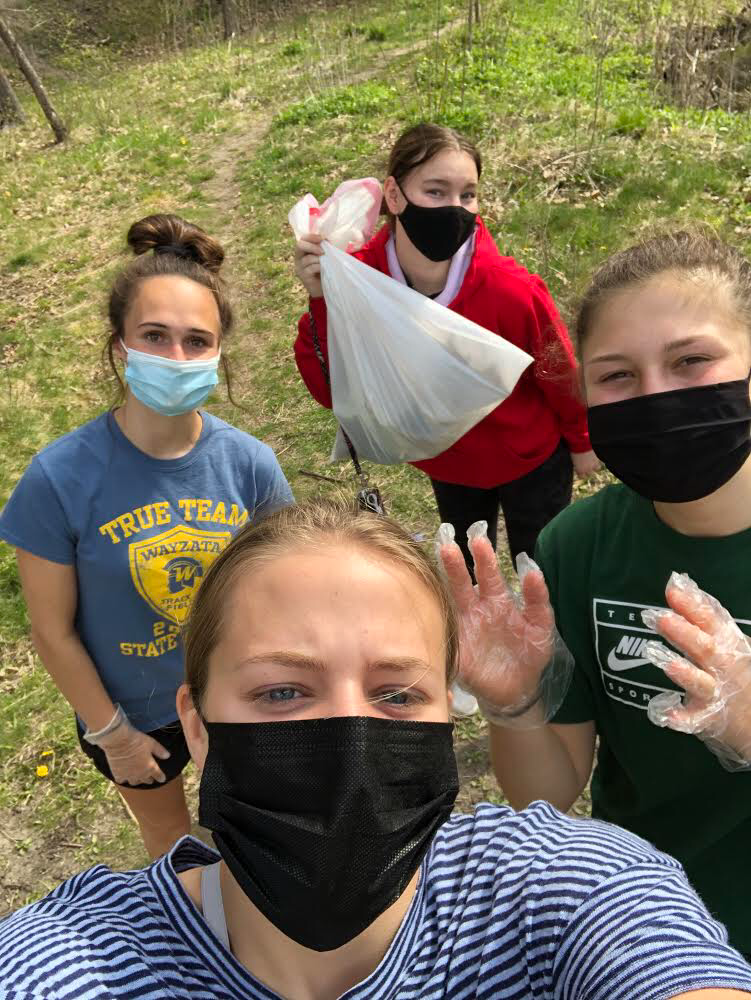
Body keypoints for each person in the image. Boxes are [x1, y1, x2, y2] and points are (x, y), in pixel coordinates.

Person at [1, 501, 750, 1000]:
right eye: (282, 691)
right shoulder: (77, 962)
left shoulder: (558, 891)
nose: (348, 732)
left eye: (396, 693)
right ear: (197, 728)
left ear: (446, 718)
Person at [439, 228, 751, 957]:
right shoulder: (576, 547)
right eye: (617, 376)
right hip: (650, 928)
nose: (656, 396)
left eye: (691, 361)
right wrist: (514, 705)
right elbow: (547, 794)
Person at [0, 213, 292, 859]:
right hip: (130, 712)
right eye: (154, 336)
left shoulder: (250, 466)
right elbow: (52, 630)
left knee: (255, 826)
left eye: (196, 341)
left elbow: (283, 596)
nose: (175, 358)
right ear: (119, 346)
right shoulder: (58, 478)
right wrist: (112, 733)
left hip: (232, 697)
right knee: (170, 840)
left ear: (218, 354)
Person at [293, 122, 599, 571]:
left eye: (468, 194)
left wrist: (582, 440)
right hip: (448, 462)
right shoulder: (362, 281)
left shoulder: (510, 290)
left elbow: (557, 372)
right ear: (394, 195)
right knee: (467, 575)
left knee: (543, 569)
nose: (455, 208)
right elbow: (332, 390)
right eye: (435, 191)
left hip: (530, 458)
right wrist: (322, 298)